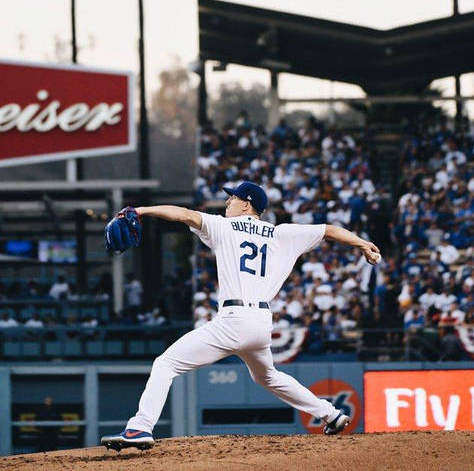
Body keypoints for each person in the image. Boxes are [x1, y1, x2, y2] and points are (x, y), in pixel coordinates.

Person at [101, 181, 380, 450]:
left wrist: (141, 211)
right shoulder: (283, 234)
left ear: (247, 205)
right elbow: (330, 230)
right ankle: (330, 414)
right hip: (261, 323)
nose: (227, 202)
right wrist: (362, 243)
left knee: (166, 364)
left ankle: (140, 427)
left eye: (233, 198)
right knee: (267, 376)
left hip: (234, 319)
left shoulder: (224, 227)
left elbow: (183, 214)